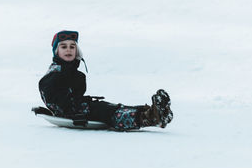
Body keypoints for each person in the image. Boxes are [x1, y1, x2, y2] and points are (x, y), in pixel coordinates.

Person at [38, 30, 173, 131]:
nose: (68, 50)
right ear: (56, 51)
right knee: (109, 113)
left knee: (113, 107)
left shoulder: (75, 73)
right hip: (75, 112)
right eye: (64, 46)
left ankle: (155, 111)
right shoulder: (54, 74)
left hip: (82, 107)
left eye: (72, 46)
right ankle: (150, 117)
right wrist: (69, 113)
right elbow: (50, 96)